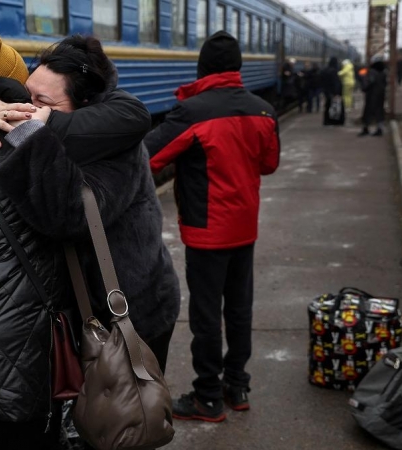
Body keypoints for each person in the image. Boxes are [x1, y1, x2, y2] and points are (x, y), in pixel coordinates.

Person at [0, 31, 180, 449]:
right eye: (25, 94)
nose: (24, 107)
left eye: (41, 101)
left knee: (121, 429)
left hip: (127, 313)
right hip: (77, 315)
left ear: (82, 108)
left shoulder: (114, 146)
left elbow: (70, 217)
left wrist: (35, 133)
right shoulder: (41, 132)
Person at [142, 31, 280, 422]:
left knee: (206, 316)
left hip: (207, 232)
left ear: (202, 67)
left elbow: (148, 158)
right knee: (239, 310)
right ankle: (236, 387)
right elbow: (268, 165)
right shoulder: (263, 111)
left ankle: (207, 397)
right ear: (238, 67)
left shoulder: (193, 112)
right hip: (244, 227)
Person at [359, 57, 387, 136]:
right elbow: (385, 83)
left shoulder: (372, 72)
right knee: (379, 112)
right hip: (381, 94)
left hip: (372, 95)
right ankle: (379, 128)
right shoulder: (383, 72)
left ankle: (365, 128)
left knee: (368, 112)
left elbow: (369, 82)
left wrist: (362, 78)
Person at [320, 57, 344, 126]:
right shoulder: (334, 71)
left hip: (326, 91)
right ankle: (333, 120)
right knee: (334, 106)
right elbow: (336, 83)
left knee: (327, 106)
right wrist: (337, 93)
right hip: (333, 92)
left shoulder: (325, 70)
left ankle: (326, 120)